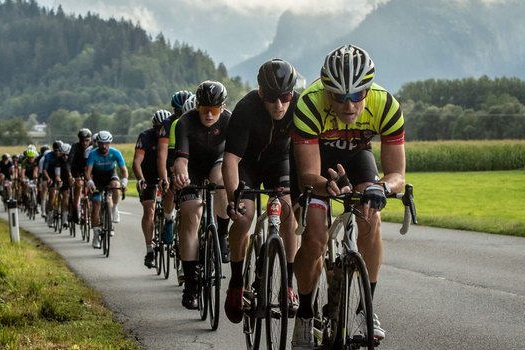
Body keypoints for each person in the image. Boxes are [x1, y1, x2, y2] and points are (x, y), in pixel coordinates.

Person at [290, 44, 406, 348]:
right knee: (315, 237)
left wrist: (381, 188)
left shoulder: (386, 104)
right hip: (317, 164)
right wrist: (324, 186)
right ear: (326, 91)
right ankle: (305, 313)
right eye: (339, 96)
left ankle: (365, 308)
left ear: (368, 90)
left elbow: (397, 175)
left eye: (356, 95)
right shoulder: (309, 103)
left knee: (371, 218)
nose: (349, 105)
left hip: (356, 155)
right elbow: (308, 176)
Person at [222, 59, 300, 323]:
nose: (279, 105)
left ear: (292, 94)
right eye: (271, 98)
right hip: (248, 165)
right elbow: (231, 160)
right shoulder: (246, 108)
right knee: (245, 216)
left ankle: (287, 284)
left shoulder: (299, 106)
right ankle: (236, 282)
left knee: (289, 214)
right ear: (260, 92)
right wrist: (234, 199)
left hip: (280, 163)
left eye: (285, 97)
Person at [172, 80, 232, 310]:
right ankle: (190, 285)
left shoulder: (229, 120)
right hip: (193, 167)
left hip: (218, 162)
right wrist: (181, 175)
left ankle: (222, 234)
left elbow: (234, 158)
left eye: (214, 110)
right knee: (190, 213)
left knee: (221, 179)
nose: (208, 114)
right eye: (205, 108)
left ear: (223, 108)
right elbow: (181, 159)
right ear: (197, 105)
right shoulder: (185, 122)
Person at [134, 109, 172, 268]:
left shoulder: (172, 134)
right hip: (148, 176)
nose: (160, 131)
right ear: (153, 126)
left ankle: (169, 220)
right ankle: (149, 249)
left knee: (171, 196)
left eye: (163, 127)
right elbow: (137, 162)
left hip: (166, 174)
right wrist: (140, 179)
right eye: (157, 127)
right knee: (149, 210)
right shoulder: (145, 136)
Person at [157, 90, 194, 248]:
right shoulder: (169, 124)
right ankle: (168, 220)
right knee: (171, 188)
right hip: (173, 156)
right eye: (178, 111)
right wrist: (163, 177)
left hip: (191, 156)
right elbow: (162, 153)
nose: (182, 114)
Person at [85, 131, 129, 249]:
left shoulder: (115, 153)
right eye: (101, 144)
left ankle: (114, 209)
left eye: (107, 143)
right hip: (97, 179)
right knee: (96, 204)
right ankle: (95, 235)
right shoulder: (93, 154)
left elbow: (124, 170)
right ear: (98, 143)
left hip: (110, 175)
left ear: (110, 143)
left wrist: (124, 182)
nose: (104, 146)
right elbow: (88, 172)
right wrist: (90, 182)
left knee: (115, 185)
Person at [69, 128, 93, 224]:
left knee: (92, 185)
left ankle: (90, 205)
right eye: (82, 141)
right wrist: (70, 175)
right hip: (77, 169)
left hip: (89, 168)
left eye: (87, 140)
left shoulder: (93, 146)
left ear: (90, 139)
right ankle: (75, 208)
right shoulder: (75, 146)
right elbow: (69, 162)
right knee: (78, 185)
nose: (85, 143)